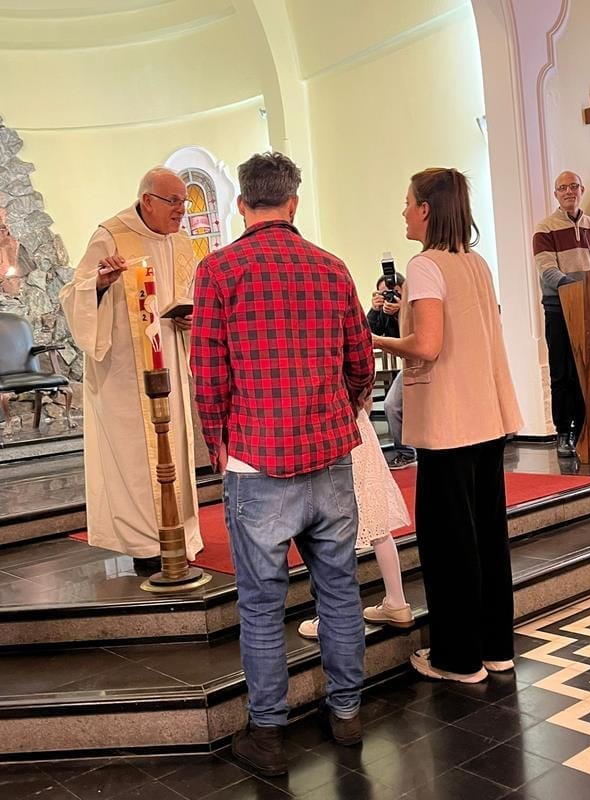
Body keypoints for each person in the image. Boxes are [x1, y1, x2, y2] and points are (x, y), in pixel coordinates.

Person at [191, 152, 374, 776]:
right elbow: (360, 362)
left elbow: (208, 376)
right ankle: (347, 714)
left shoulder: (218, 271)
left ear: (241, 204)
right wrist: (340, 411)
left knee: (262, 605)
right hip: (329, 458)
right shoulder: (331, 267)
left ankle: (268, 736)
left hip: (256, 461)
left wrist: (220, 445)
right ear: (293, 202)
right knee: (340, 591)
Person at [373, 167, 522, 684]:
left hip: (449, 421)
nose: (403, 211)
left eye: (407, 202)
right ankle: (496, 648)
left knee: (448, 541)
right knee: (487, 534)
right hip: (486, 417)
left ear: (426, 209)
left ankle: (457, 659)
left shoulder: (425, 264)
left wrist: (376, 340)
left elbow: (428, 346)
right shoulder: (475, 261)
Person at [60, 167, 203, 572]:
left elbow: (189, 295)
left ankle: (179, 535)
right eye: (173, 201)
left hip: (169, 361)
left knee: (174, 451)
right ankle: (145, 544)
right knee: (136, 459)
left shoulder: (181, 242)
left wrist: (191, 317)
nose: (181, 210)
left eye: (184, 202)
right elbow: (73, 294)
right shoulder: (110, 235)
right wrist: (100, 284)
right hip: (123, 374)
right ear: (147, 201)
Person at [297, 404, 413, 639]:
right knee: (377, 520)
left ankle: (330, 617)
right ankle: (397, 602)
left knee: (331, 525)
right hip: (360, 428)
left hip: (331, 431)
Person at [533, 171, 590, 458]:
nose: (569, 191)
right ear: (556, 194)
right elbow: (548, 271)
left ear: (581, 190)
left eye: (574, 186)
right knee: (562, 373)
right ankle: (564, 432)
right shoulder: (544, 229)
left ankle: (588, 430)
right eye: (563, 188)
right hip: (559, 308)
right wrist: (579, 289)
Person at [368, 272, 417, 469]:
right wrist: (374, 311)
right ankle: (406, 452)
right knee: (391, 405)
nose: (390, 297)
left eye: (395, 292)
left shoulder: (416, 307)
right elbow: (368, 336)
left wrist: (402, 311)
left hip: (427, 364)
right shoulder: (383, 313)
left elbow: (418, 336)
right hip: (409, 367)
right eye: (384, 293)